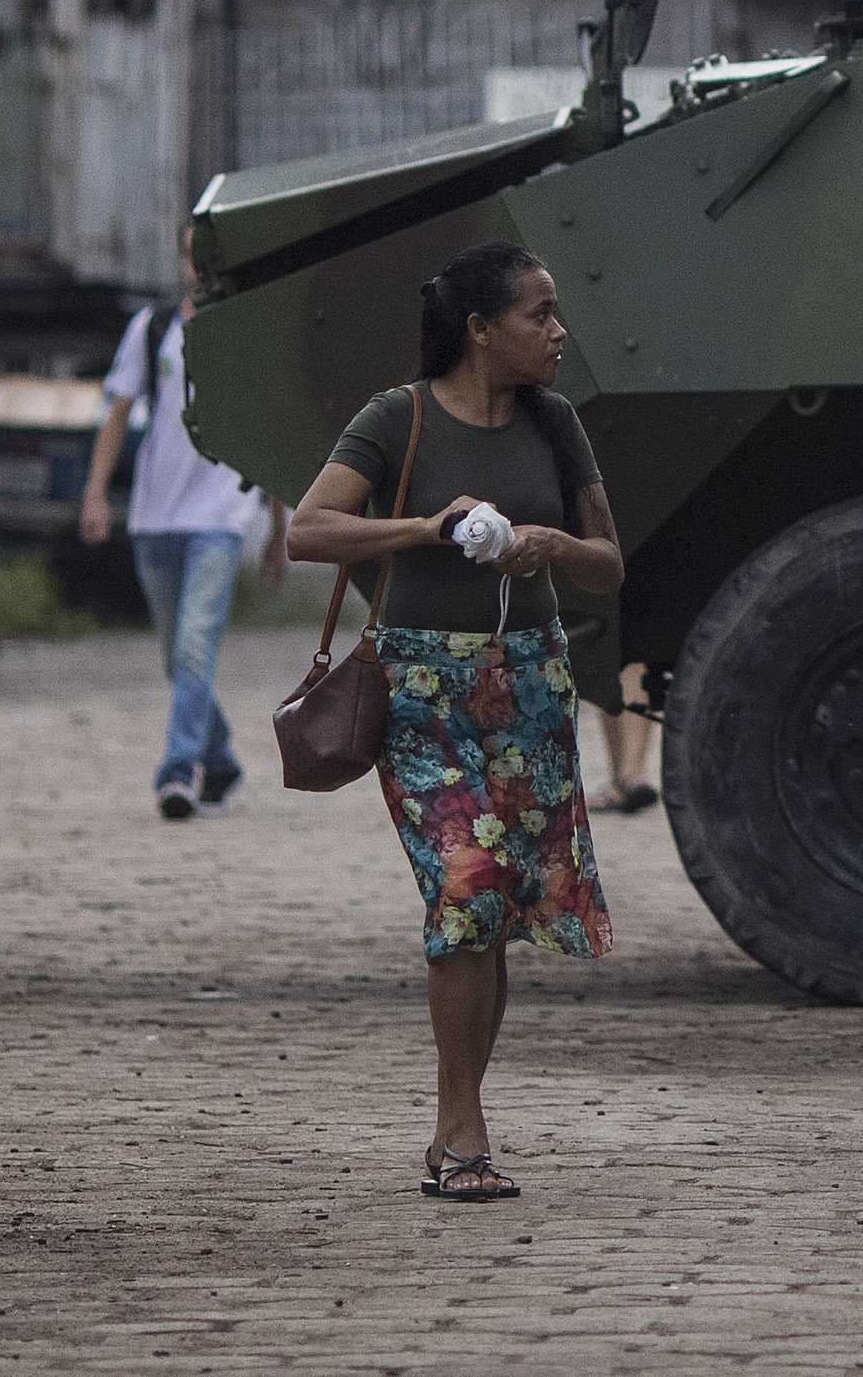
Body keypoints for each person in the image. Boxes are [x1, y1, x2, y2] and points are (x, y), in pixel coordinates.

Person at [289, 240, 623, 1201]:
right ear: (481, 329)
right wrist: (428, 526)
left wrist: (557, 543)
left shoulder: (555, 424)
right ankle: (461, 1122)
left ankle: (461, 1111)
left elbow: (609, 563)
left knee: (500, 905)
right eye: (539, 314)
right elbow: (308, 530)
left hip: (530, 683)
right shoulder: (396, 418)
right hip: (421, 689)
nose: (558, 331)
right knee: (467, 887)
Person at [80, 223, 283, 822]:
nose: (198, 266)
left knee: (195, 646)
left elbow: (265, 435)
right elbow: (116, 415)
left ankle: (178, 770)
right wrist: (95, 495)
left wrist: (276, 528)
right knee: (177, 656)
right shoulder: (152, 329)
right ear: (180, 260)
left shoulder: (247, 331)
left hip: (219, 516)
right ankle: (220, 759)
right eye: (191, 254)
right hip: (153, 516)